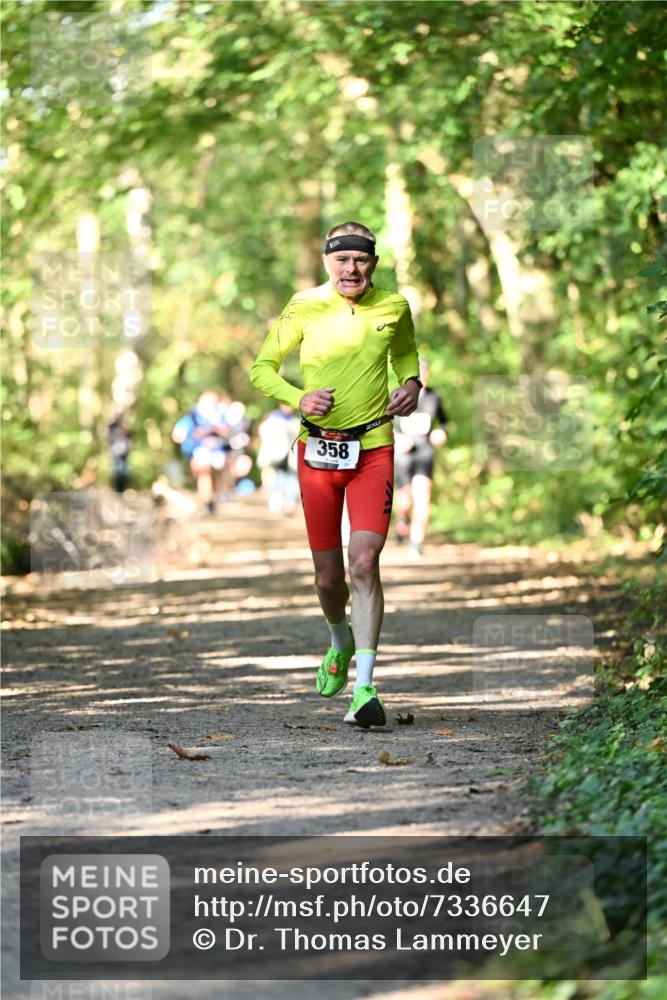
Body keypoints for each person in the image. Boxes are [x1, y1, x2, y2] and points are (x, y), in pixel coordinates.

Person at [250, 221, 420, 728]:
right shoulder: (303, 305)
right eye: (342, 259)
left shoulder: (394, 307)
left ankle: (365, 688)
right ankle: (339, 639)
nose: (352, 268)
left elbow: (406, 354)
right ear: (328, 262)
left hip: (373, 447)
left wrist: (411, 383)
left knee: (364, 560)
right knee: (329, 580)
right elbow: (262, 367)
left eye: (361, 259)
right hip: (317, 453)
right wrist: (297, 398)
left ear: (373, 262)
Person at [394, 357, 448, 558]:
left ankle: (417, 543)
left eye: (424, 372)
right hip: (403, 454)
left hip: (425, 452)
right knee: (405, 500)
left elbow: (444, 422)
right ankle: (402, 519)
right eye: (417, 373)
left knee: (423, 495)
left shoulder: (434, 397)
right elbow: (385, 422)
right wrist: (396, 438)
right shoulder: (397, 395)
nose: (421, 376)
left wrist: (442, 433)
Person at [171, 390, 230, 514]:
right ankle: (206, 501)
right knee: (205, 474)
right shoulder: (192, 416)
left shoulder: (220, 415)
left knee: (215, 476)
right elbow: (177, 435)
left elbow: (227, 431)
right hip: (199, 451)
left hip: (218, 452)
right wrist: (193, 436)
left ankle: (213, 499)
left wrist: (214, 429)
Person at [256, 404, 301, 513]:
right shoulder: (273, 419)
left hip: (291, 456)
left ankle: (290, 502)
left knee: (291, 478)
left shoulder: (295, 420)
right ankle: (279, 501)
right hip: (277, 454)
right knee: (279, 477)